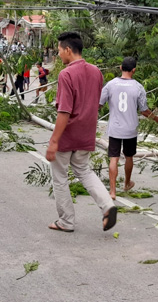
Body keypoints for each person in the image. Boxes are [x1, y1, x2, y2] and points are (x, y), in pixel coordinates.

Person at [46, 31, 117, 233]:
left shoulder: (66, 74)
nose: (58, 55)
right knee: (84, 171)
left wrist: (54, 141)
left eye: (59, 50)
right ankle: (108, 205)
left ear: (68, 50)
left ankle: (66, 221)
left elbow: (64, 111)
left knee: (60, 177)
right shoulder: (96, 72)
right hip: (87, 133)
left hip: (68, 134)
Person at [100, 57, 158, 199]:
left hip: (115, 128)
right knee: (128, 156)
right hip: (130, 129)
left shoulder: (110, 85)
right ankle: (126, 183)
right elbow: (144, 110)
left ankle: (112, 192)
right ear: (134, 70)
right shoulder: (138, 87)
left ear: (120, 68)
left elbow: (98, 104)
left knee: (114, 158)